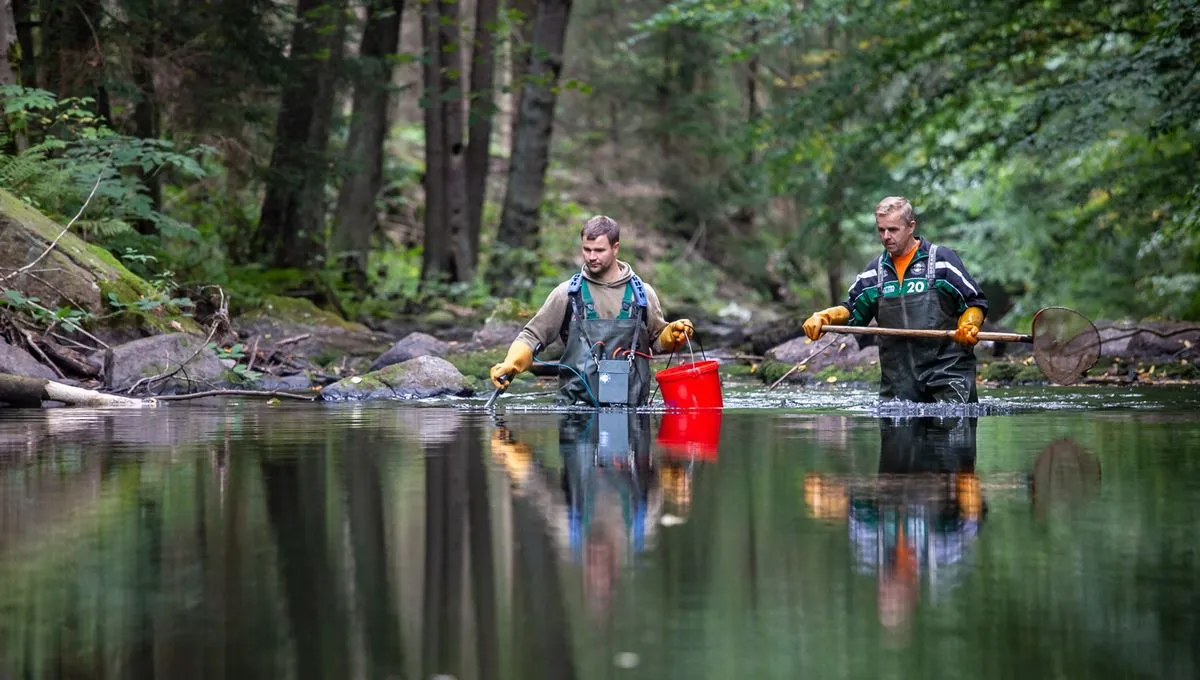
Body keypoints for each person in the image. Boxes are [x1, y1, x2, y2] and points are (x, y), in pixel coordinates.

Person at [489, 215, 695, 406]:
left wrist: (672, 336)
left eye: (599, 250)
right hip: (575, 410)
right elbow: (532, 336)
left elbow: (658, 342)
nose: (591, 257)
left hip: (632, 412)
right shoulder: (567, 294)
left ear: (616, 248)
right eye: (587, 250)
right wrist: (511, 364)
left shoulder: (642, 294)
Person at [802, 196, 989, 403]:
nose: (886, 236)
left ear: (911, 227)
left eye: (893, 229)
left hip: (948, 378)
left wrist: (969, 325)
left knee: (953, 428)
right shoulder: (875, 273)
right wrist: (825, 317)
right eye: (881, 230)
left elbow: (974, 302)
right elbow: (853, 312)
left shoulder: (941, 261)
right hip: (898, 387)